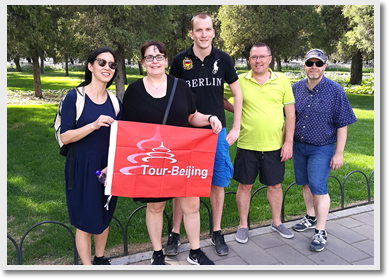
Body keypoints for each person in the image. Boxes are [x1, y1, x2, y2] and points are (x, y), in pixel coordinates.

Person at [121, 40, 222, 265]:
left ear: (166, 60)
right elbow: (128, 129)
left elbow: (191, 116)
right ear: (143, 61)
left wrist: (209, 118)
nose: (154, 61)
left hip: (181, 157)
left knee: (191, 205)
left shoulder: (180, 86)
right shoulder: (134, 91)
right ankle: (157, 253)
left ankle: (195, 251)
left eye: (159, 56)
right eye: (149, 57)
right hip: (152, 159)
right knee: (155, 206)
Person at [167, 12, 243, 256]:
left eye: (207, 29)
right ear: (192, 33)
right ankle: (175, 234)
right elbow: (171, 96)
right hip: (185, 132)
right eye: (198, 30)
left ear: (213, 32)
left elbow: (237, 95)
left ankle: (217, 231)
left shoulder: (224, 59)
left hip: (216, 132)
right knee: (182, 185)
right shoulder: (180, 61)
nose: (203, 34)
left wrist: (236, 127)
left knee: (217, 183)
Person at [224, 42, 296, 244]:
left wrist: (288, 142)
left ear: (270, 59)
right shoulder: (239, 81)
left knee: (275, 185)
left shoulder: (282, 80)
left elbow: (290, 113)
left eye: (262, 57)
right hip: (247, 145)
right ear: (249, 60)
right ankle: (243, 225)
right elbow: (220, 98)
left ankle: (276, 221)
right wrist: (237, 110)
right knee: (244, 186)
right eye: (254, 57)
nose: (258, 61)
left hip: (274, 146)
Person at [60, 47, 122, 265]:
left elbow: (120, 139)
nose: (107, 68)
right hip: (82, 167)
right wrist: (93, 125)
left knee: (104, 215)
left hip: (107, 168)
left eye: (112, 65)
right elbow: (65, 136)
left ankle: (100, 258)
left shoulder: (114, 101)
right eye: (102, 62)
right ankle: (87, 268)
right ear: (90, 66)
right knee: (85, 220)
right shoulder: (73, 97)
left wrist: (112, 165)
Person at [291, 49, 357, 251]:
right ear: (304, 66)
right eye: (310, 63)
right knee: (305, 184)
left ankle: (321, 231)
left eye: (318, 64)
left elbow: (342, 124)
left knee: (318, 188)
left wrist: (339, 153)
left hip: (322, 148)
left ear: (324, 67)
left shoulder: (335, 90)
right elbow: (290, 118)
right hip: (299, 146)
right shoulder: (295, 89)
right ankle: (311, 216)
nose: (313, 67)